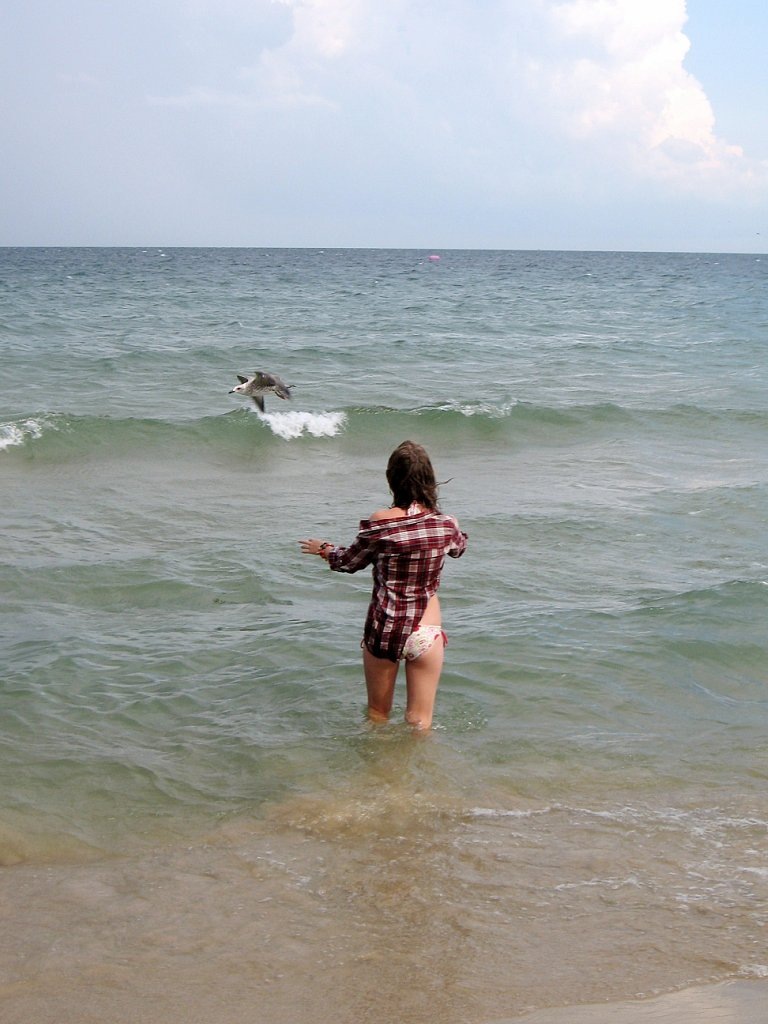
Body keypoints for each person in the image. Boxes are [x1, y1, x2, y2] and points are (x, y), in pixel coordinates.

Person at [299, 440, 467, 729]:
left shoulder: (380, 522)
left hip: (386, 627)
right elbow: (459, 548)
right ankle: (421, 760)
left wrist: (324, 548)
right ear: (430, 478)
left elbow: (348, 562)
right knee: (420, 722)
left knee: (378, 715)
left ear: (392, 479)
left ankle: (379, 760)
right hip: (426, 631)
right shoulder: (446, 524)